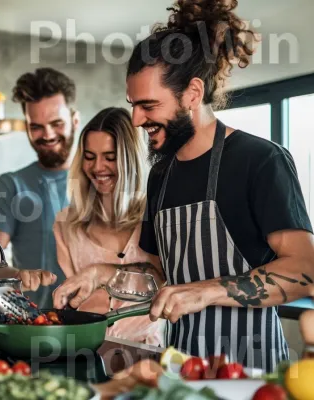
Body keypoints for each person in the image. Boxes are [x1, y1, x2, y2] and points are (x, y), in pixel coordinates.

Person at [55, 0, 314, 372]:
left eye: (147, 105)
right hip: (180, 367)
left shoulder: (260, 160)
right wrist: (102, 273)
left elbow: (305, 270)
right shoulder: (162, 174)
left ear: (192, 94)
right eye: (133, 105)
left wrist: (205, 291)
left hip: (252, 372)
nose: (137, 119)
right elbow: (160, 273)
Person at [53, 107, 163, 345]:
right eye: (90, 157)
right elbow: (74, 302)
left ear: (129, 159)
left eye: (110, 157)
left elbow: (163, 282)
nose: (97, 167)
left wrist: (102, 272)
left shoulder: (155, 216)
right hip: (85, 350)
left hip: (145, 356)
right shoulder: (66, 225)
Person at [0, 67, 80, 308]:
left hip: (95, 325)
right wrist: (15, 274)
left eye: (57, 123)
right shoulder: (11, 185)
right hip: (33, 325)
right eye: (36, 126)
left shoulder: (101, 180)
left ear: (75, 121)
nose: (47, 135)